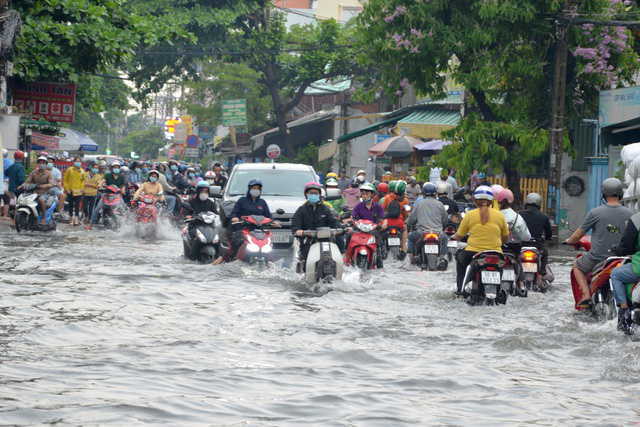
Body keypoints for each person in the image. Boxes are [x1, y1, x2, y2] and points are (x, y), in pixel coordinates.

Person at [564, 178, 632, 308]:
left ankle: (586, 294)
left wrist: (569, 241)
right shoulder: (630, 213)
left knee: (577, 265)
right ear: (621, 193)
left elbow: (578, 234)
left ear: (604, 194)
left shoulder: (595, 212)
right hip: (622, 258)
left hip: (598, 258)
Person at [452, 186, 509, 295]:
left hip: (472, 253)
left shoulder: (470, 215)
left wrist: (452, 238)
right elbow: (505, 237)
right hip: (496, 254)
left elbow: (459, 235)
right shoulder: (499, 215)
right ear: (491, 201)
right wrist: (498, 243)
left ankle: (460, 289)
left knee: (459, 260)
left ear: (475, 201)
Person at [213, 178, 280, 265]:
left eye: (258, 189)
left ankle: (270, 263)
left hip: (258, 231)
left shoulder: (262, 203)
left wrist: (274, 222)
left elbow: (268, 216)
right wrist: (235, 218)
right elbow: (234, 213)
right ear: (249, 189)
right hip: (243, 230)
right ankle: (224, 258)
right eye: (254, 188)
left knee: (268, 244)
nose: (255, 190)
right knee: (237, 243)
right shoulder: (242, 201)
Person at [291, 182, 342, 263]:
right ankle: (305, 272)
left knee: (335, 256)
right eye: (311, 193)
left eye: (316, 193)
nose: (314, 195)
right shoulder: (301, 210)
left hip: (325, 240)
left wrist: (343, 228)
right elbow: (295, 225)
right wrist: (297, 231)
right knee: (307, 258)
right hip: (307, 241)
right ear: (306, 194)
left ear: (319, 195)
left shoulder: (325, 208)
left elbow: (333, 221)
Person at [610, 211, 640, 331]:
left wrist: (616, 249)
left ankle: (624, 310)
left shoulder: (637, 219)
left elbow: (626, 247)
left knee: (615, 274)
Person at [406, 183, 449, 263]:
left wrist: (408, 224)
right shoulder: (440, 204)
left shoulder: (419, 204)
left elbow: (411, 220)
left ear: (423, 194)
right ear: (435, 194)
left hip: (421, 232)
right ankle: (441, 258)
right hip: (438, 233)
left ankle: (411, 260)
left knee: (411, 238)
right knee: (445, 238)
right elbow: (445, 220)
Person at [349, 182, 385, 268]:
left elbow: (383, 219)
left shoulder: (378, 207)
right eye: (363, 194)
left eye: (367, 194)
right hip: (360, 230)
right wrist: (351, 221)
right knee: (349, 236)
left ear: (372, 194)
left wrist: (382, 225)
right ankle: (349, 258)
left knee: (379, 244)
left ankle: (379, 262)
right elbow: (352, 216)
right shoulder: (358, 206)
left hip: (373, 231)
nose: (365, 196)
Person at [518, 192, 553, 274]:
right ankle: (542, 272)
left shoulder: (519, 214)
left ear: (527, 203)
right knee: (545, 253)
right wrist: (548, 238)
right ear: (539, 204)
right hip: (537, 246)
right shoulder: (544, 217)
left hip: (521, 245)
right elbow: (549, 233)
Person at [87, 162, 127, 229]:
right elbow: (103, 181)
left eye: (117, 167)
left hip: (117, 195)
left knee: (123, 208)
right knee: (97, 208)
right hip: (107, 194)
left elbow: (123, 185)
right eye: (115, 167)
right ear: (111, 168)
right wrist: (100, 185)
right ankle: (90, 224)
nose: (116, 169)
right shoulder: (108, 175)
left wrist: (123, 190)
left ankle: (125, 224)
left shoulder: (121, 177)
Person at [19, 156, 54, 225]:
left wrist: (45, 186)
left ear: (46, 164)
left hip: (44, 193)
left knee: (41, 200)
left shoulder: (49, 174)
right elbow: (27, 181)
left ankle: (44, 217)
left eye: (43, 163)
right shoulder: (33, 173)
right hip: (34, 193)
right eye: (40, 162)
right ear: (37, 164)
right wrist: (21, 186)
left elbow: (51, 183)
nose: (41, 164)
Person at [2, 150, 26, 221]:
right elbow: (21, 180)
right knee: (18, 205)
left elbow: (6, 173)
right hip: (17, 189)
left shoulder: (11, 166)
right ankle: (15, 220)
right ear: (22, 158)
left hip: (10, 188)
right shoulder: (20, 167)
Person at [63, 156, 86, 226]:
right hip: (70, 190)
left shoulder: (82, 171)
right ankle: (71, 219)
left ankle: (76, 219)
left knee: (77, 206)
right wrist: (66, 188)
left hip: (78, 191)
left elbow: (83, 181)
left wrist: (82, 188)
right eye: (76, 161)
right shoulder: (69, 170)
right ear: (73, 162)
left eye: (79, 161)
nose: (78, 163)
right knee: (70, 205)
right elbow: (65, 180)